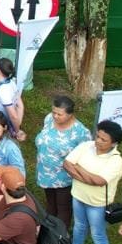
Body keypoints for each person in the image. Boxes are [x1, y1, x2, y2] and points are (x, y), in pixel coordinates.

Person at [65, 120, 122, 244]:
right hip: (78, 196)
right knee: (79, 226)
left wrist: (78, 168)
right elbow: (67, 164)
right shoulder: (86, 146)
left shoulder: (116, 161)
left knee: (98, 235)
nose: (98, 141)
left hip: (97, 204)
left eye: (103, 139)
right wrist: (87, 178)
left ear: (114, 143)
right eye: (97, 136)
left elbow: (99, 181)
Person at [33, 94, 90, 229]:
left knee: (63, 208)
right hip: (45, 173)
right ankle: (50, 233)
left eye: (60, 114)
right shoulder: (49, 119)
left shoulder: (81, 132)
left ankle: (61, 237)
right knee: (50, 204)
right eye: (54, 112)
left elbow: (85, 156)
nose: (55, 116)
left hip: (63, 178)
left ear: (70, 114)